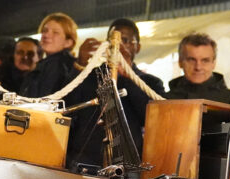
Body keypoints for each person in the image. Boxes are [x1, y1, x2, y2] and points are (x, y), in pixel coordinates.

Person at [66, 18, 166, 169]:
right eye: (112, 40)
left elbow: (151, 119)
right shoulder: (89, 76)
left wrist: (128, 76)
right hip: (84, 161)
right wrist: (79, 65)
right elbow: (67, 105)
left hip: (126, 166)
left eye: (126, 40)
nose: (118, 46)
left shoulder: (150, 82)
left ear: (137, 47)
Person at [20, 13, 78, 98]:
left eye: (55, 32)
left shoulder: (55, 64)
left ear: (68, 42)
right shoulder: (53, 64)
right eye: (45, 30)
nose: (46, 35)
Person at [166, 33, 230, 104]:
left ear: (213, 63)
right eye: (191, 60)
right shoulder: (164, 101)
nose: (198, 67)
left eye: (205, 60)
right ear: (180, 62)